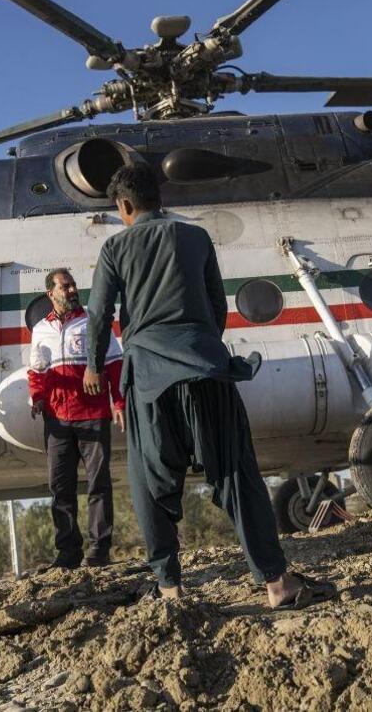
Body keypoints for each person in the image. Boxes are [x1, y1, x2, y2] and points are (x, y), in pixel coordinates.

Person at [86, 163, 335, 608]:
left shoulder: (115, 248)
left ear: (124, 206)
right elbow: (218, 306)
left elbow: (100, 315)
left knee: (151, 485)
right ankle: (277, 584)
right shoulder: (196, 237)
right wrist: (200, 347)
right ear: (158, 198)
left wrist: (93, 367)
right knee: (237, 475)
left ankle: (170, 588)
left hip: (149, 380)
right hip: (206, 369)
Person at [28, 268, 125, 570]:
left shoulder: (93, 321)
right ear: (51, 293)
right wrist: (37, 397)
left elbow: (114, 363)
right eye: (65, 286)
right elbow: (37, 370)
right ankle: (68, 551)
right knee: (60, 487)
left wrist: (118, 401)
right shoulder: (41, 329)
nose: (71, 290)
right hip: (57, 420)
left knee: (98, 483)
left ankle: (99, 549)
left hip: (92, 415)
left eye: (72, 285)